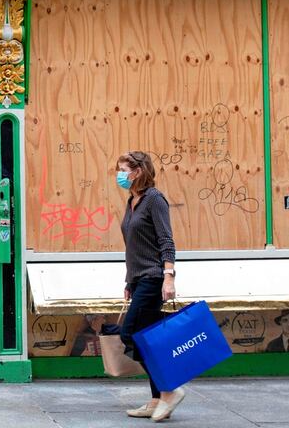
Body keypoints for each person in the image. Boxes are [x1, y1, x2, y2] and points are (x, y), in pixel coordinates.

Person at [116, 151, 185, 422]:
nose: (119, 175)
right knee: (149, 340)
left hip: (154, 278)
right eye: (118, 169)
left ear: (140, 171)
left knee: (130, 334)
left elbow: (166, 241)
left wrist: (169, 277)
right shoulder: (132, 200)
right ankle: (157, 399)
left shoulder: (154, 200)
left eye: (124, 169)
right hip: (139, 278)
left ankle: (169, 390)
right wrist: (129, 281)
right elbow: (134, 247)